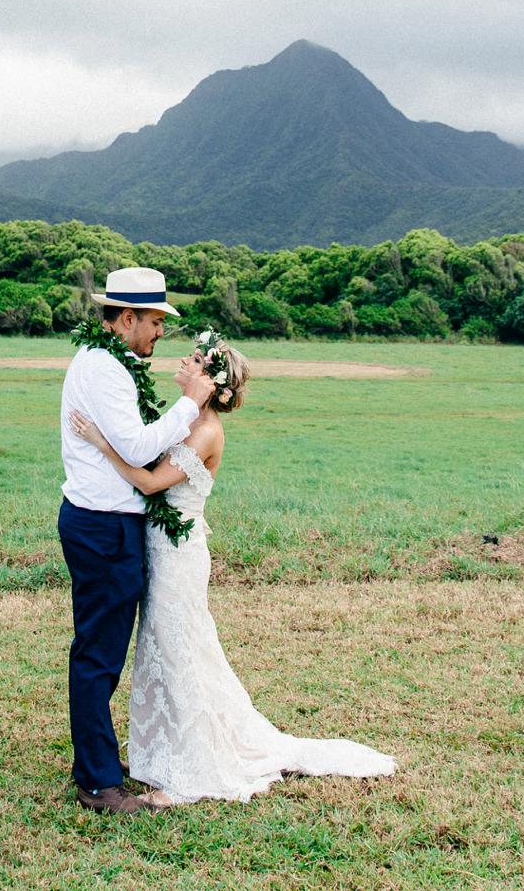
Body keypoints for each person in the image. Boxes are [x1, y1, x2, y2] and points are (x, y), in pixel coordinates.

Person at [70, 324, 397, 805]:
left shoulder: (205, 431)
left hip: (179, 555)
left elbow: (150, 483)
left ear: (212, 381)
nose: (184, 361)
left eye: (196, 360)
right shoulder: (181, 419)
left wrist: (99, 442)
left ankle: (197, 758)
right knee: (162, 647)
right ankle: (163, 748)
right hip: (158, 547)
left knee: (182, 648)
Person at [58, 266, 214, 814]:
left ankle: (97, 762)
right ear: (126, 318)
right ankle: (98, 783)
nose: (158, 334)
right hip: (103, 526)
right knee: (98, 653)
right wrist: (191, 404)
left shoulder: (109, 362)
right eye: (153, 322)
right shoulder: (104, 369)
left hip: (107, 520)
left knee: (102, 649)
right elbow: (139, 444)